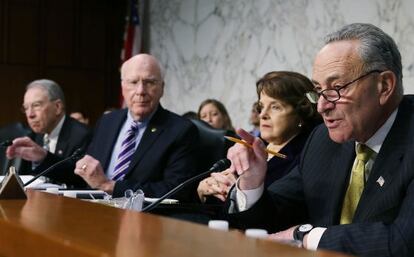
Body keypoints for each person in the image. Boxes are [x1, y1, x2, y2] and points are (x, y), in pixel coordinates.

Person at [225, 23, 414, 257]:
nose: (323, 106)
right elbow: (274, 220)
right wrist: (251, 183)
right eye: (318, 90)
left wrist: (307, 236)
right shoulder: (322, 140)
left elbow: (403, 242)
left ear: (384, 86)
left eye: (337, 88)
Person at [74, 54, 199, 199]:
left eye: (149, 82)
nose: (140, 91)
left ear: (162, 88)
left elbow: (175, 189)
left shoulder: (180, 130)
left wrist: (109, 186)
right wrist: (43, 156)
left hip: (144, 216)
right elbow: (82, 169)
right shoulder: (108, 121)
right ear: (123, 87)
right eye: (133, 82)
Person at [197, 71, 321, 204]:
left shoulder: (306, 155)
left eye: (275, 107)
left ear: (301, 113)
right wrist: (206, 188)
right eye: (261, 107)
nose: (262, 115)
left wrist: (237, 190)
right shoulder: (252, 147)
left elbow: (277, 206)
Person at [6, 79, 92, 187]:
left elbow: (80, 179)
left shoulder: (82, 135)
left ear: (57, 107)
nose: (30, 114)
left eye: (36, 105)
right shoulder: (35, 135)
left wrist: (43, 157)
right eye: (26, 108)